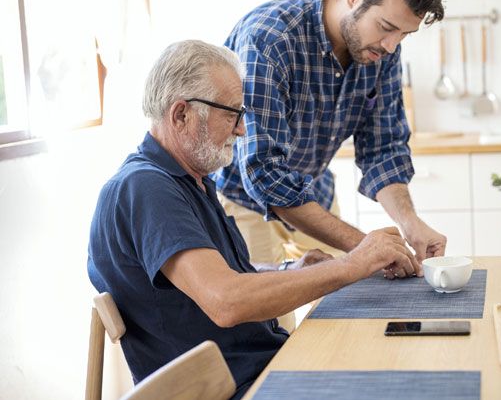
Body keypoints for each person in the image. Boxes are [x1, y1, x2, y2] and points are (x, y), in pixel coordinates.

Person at [87, 40, 421, 399]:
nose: (243, 129)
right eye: (231, 114)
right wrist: (353, 264)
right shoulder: (146, 188)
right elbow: (226, 300)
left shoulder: (187, 181)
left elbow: (217, 277)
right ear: (181, 114)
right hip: (236, 388)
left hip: (259, 370)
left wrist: (291, 271)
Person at [213, 0, 449, 328]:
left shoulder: (381, 51)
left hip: (312, 191)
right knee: (271, 330)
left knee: (341, 316)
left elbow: (383, 148)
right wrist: (364, 248)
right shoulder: (270, 39)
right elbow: (264, 175)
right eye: (387, 28)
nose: (391, 46)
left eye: (403, 36)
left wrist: (410, 224)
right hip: (243, 202)